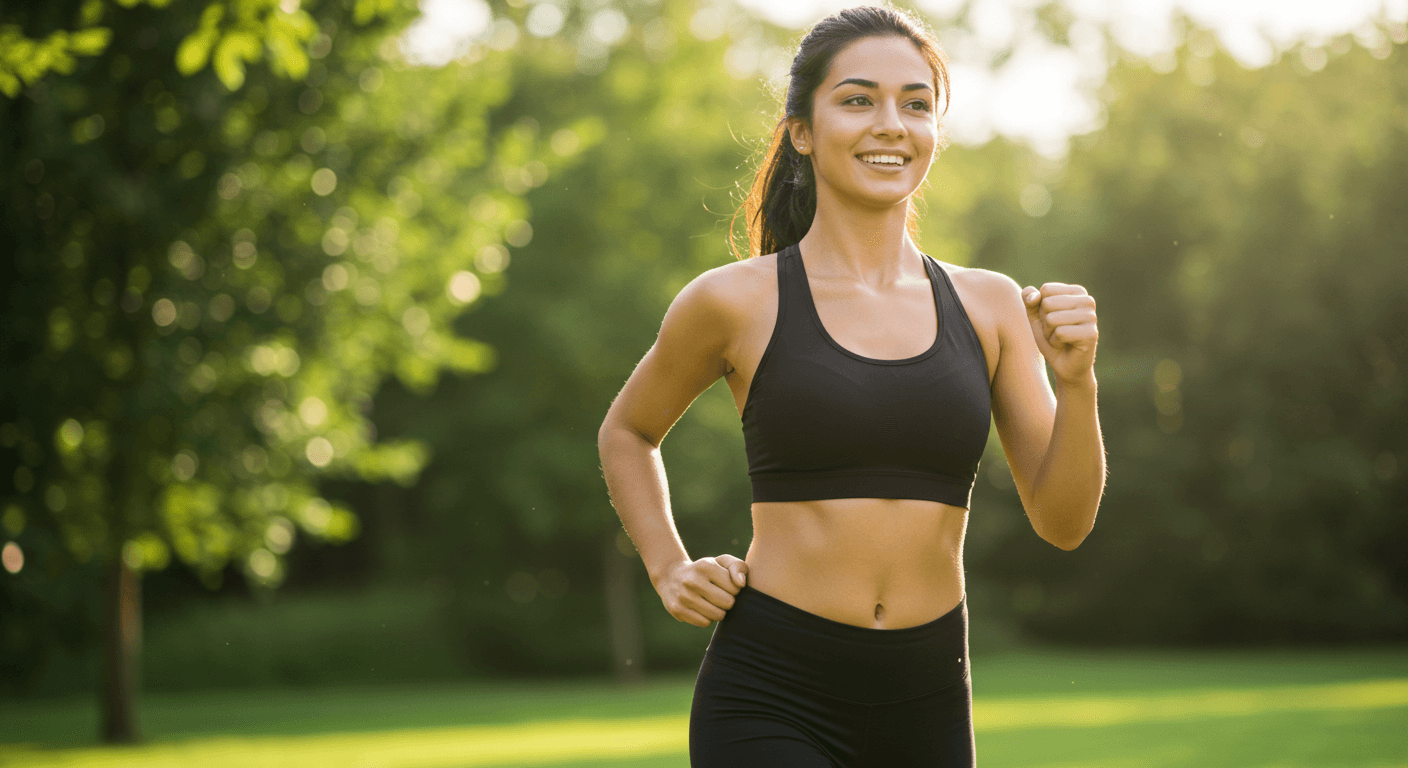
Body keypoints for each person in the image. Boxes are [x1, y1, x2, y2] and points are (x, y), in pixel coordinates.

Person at [596, 5, 1105, 765]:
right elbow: (628, 432)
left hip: (928, 696)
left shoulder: (990, 303)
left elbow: (1064, 523)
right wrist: (669, 567)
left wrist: (1078, 385)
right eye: (858, 99)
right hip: (771, 689)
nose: (891, 124)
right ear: (802, 130)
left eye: (916, 104)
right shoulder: (734, 300)